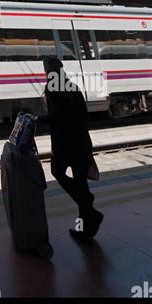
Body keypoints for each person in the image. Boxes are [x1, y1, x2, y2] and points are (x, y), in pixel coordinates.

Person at [40, 55, 103, 241]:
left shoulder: (52, 89)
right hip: (81, 142)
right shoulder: (73, 87)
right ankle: (85, 227)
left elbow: (58, 118)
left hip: (65, 145)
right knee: (81, 184)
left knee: (57, 172)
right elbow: (84, 117)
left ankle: (89, 210)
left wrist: (39, 119)